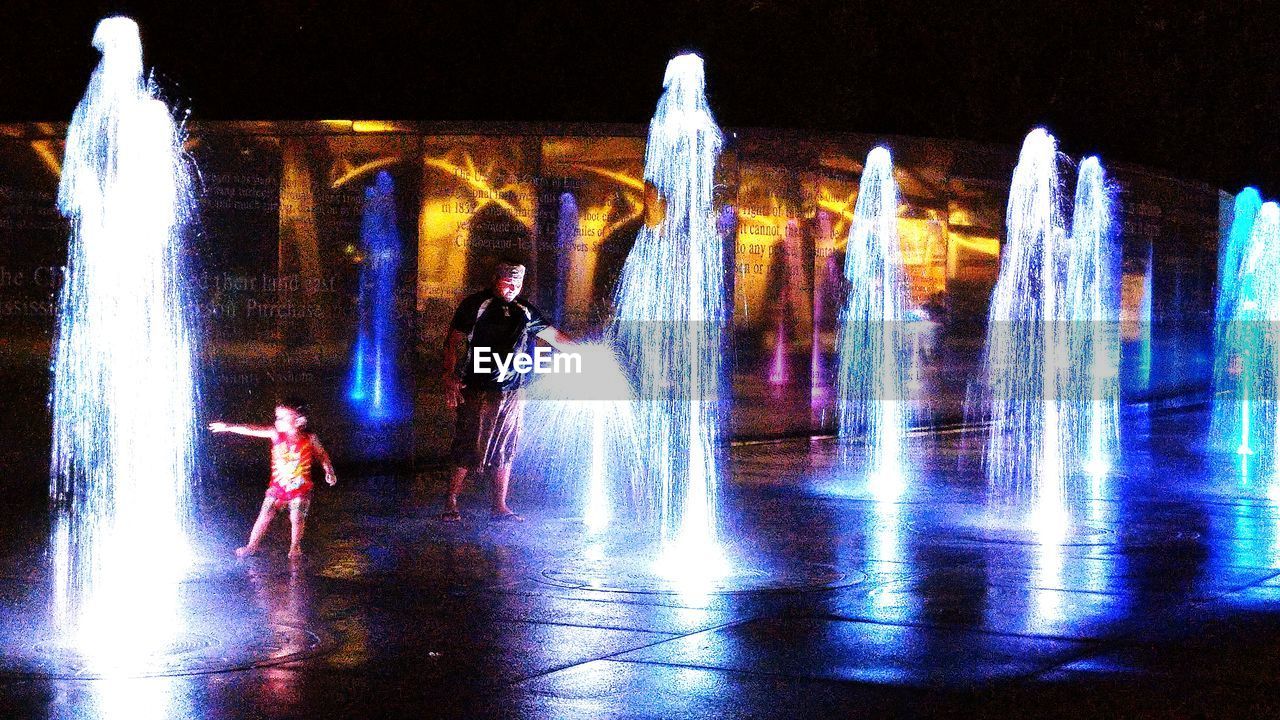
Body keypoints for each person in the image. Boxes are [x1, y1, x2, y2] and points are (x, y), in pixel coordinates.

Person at [440, 261, 572, 522]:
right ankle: (451, 501)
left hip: (512, 391)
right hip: (478, 388)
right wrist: (450, 376)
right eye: (508, 282)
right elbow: (453, 341)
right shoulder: (476, 304)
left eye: (518, 284)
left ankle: (500, 505)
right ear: (495, 279)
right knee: (468, 444)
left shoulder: (524, 310)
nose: (513, 288)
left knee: (506, 447)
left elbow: (555, 337)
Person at [209, 400, 337, 558]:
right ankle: (251, 546)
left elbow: (322, 454)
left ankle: (295, 546)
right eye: (277, 417)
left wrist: (329, 470)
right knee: (265, 515)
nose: (277, 421)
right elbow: (251, 429)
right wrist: (229, 427)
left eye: (283, 417)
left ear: (299, 421)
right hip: (278, 487)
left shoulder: (310, 438)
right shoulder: (275, 434)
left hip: (300, 488)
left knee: (296, 517)